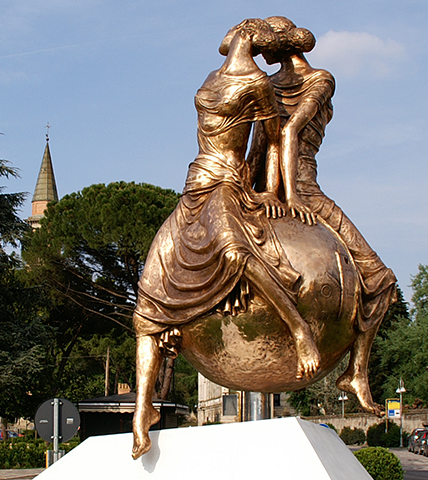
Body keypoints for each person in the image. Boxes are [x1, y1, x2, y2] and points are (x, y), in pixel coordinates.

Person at [131, 18, 320, 460]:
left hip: (228, 186)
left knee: (235, 254)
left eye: (239, 33)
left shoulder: (258, 84)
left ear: (247, 37)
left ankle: (300, 331)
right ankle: (142, 410)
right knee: (148, 299)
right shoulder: (214, 77)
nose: (231, 37)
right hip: (196, 183)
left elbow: (272, 142)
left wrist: (273, 192)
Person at [249, 16, 397, 415]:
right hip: (305, 189)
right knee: (381, 279)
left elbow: (262, 144)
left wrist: (260, 190)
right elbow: (289, 133)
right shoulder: (321, 79)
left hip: (271, 186)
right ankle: (356, 372)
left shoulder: (274, 85)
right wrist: (294, 195)